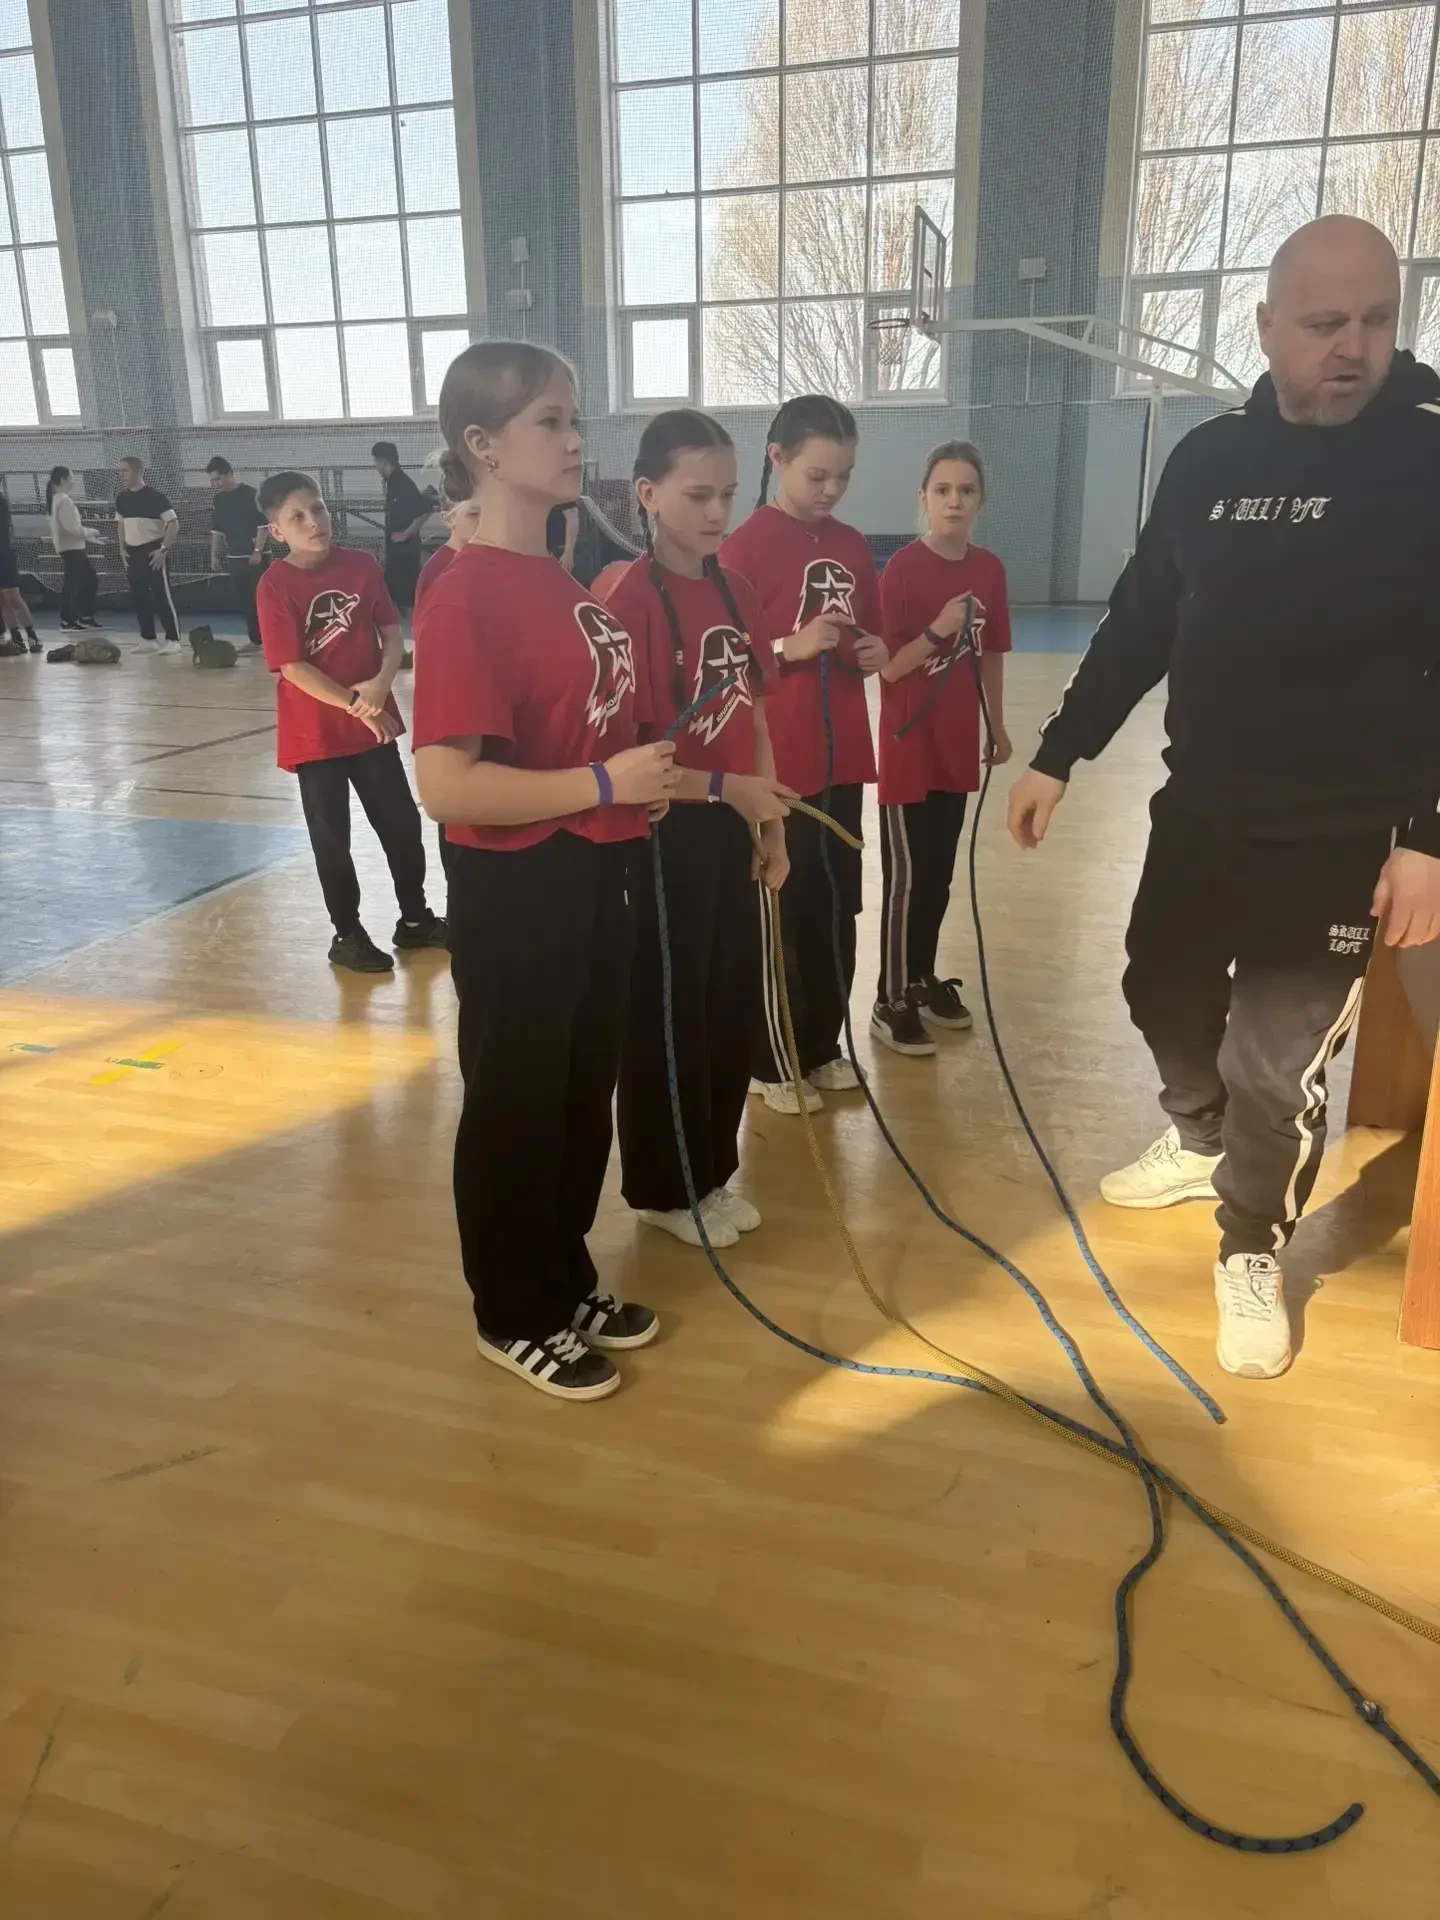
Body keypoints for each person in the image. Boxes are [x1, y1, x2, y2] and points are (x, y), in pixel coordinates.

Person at [1006, 215, 1440, 1382]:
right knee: (1159, 989)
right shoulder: (1208, 461)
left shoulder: (1428, 458)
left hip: (1342, 835)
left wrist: (1431, 837)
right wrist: (1059, 753)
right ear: (1264, 328)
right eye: (1324, 323)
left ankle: (1252, 1243)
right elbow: (1142, 617)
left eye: (1378, 320)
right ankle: (1200, 1142)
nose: (1355, 346)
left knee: (1273, 1063)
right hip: (1200, 812)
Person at [411, 340, 677, 1404]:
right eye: (552, 422)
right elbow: (446, 784)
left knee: (577, 1096)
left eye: (576, 420)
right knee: (517, 1102)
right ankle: (510, 1310)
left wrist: (633, 785)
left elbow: (586, 741)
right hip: (519, 889)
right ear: (483, 445)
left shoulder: (561, 583)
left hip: (598, 872)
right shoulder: (464, 594)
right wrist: (603, 783)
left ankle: (563, 1278)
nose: (576, 442)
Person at [603, 409, 793, 1250]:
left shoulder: (737, 591)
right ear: (648, 494)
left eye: (728, 494)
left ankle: (710, 1173)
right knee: (668, 1014)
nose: (718, 512)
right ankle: (663, 1187)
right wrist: (727, 790)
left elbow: (752, 715)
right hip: (662, 833)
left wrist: (769, 821)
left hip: (731, 822)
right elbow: (626, 761)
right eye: (697, 495)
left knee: (726, 1004)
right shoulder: (626, 599)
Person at [719, 394, 886, 1115]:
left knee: (834, 908)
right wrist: (790, 645)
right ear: (777, 459)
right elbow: (728, 656)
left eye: (843, 476)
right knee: (781, 913)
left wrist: (873, 650)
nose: (831, 490)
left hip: (841, 756)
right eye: (818, 475)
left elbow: (870, 633)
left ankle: (820, 1045)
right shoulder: (743, 548)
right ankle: (770, 1059)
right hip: (776, 761)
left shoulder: (851, 545)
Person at [255, 470, 448, 974]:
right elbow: (292, 667)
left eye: (317, 509)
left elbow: (390, 631)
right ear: (277, 531)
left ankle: (415, 920)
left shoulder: (360, 565)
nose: (313, 522)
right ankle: (347, 934)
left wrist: (380, 685)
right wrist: (356, 703)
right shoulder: (274, 585)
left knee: (402, 825)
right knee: (332, 839)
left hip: (371, 726)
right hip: (316, 735)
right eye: (297, 517)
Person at [872, 441, 1012, 1056]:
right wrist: (939, 629)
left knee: (938, 878)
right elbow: (890, 668)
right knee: (905, 883)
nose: (954, 501)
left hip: (957, 746)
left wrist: (996, 726)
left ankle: (922, 980)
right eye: (943, 490)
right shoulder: (902, 570)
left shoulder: (990, 570)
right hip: (909, 749)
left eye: (966, 490)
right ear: (924, 499)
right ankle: (889, 997)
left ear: (981, 501)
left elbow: (992, 655)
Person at [115, 455, 181, 653]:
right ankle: (148, 638)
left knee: (162, 596)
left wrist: (163, 550)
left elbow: (173, 524)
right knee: (139, 596)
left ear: (138, 471)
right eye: (120, 471)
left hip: (152, 551)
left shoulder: (156, 497)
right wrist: (122, 547)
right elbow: (121, 524)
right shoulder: (122, 498)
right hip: (132, 553)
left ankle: (173, 640)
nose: (121, 475)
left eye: (125, 471)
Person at [371, 440, 432, 652]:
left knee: (407, 598)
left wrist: (407, 533)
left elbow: (424, 510)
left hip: (406, 553)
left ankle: (418, 640)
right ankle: (401, 642)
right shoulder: (392, 483)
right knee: (390, 595)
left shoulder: (402, 483)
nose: (376, 467)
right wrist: (386, 551)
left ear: (383, 462)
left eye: (376, 463)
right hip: (396, 553)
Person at [205, 456, 268, 649]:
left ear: (229, 474)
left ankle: (270, 639)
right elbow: (217, 530)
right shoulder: (219, 499)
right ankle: (255, 640)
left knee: (262, 600)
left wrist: (257, 551)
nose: (215, 484)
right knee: (244, 601)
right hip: (235, 557)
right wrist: (214, 554)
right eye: (212, 481)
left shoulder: (252, 495)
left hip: (256, 557)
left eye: (218, 479)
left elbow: (263, 527)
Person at [46, 467, 105, 636]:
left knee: (88, 580)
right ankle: (69, 620)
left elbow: (69, 529)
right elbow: (73, 528)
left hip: (71, 548)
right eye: (71, 478)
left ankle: (84, 618)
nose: (74, 481)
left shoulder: (56, 499)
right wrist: (92, 532)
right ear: (62, 480)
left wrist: (90, 538)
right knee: (74, 585)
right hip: (72, 550)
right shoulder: (64, 500)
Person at [0, 485, 40, 655]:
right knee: (2, 600)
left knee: (14, 598)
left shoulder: (1, 502)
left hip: (3, 555)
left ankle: (32, 637)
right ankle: (16, 639)